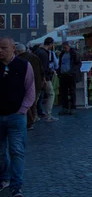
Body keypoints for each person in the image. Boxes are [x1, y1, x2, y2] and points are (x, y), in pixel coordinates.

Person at [0, 37, 35, 197]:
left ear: (13, 48)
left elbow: (30, 90)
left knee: (17, 151)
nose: (0, 51)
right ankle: (4, 178)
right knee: (1, 153)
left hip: (16, 116)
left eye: (4, 48)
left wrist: (22, 110)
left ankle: (16, 186)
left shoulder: (24, 66)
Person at [15, 45, 43, 131]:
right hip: (37, 82)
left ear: (18, 51)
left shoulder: (19, 60)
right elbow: (42, 70)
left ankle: (30, 121)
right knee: (33, 102)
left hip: (26, 84)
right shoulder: (35, 57)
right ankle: (33, 118)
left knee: (28, 104)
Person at [33, 38, 58, 122]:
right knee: (51, 94)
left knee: (36, 97)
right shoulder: (44, 53)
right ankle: (48, 115)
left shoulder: (37, 51)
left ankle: (34, 115)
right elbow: (43, 68)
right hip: (44, 78)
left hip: (37, 77)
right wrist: (44, 77)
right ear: (51, 44)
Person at [58, 42, 82, 115]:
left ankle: (72, 107)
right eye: (63, 47)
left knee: (72, 91)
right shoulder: (62, 54)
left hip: (71, 75)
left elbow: (78, 63)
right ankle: (65, 107)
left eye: (65, 47)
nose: (64, 49)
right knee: (63, 92)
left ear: (69, 46)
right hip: (63, 75)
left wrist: (72, 71)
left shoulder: (74, 53)